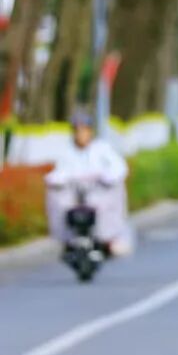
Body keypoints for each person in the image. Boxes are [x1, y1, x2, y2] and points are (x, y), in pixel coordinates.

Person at [45, 109, 134, 257]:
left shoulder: (102, 149)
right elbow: (59, 173)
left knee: (113, 196)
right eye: (77, 131)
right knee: (57, 199)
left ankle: (110, 239)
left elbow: (118, 168)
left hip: (99, 192)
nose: (81, 135)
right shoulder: (66, 152)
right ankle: (66, 240)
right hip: (74, 194)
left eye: (84, 130)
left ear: (90, 131)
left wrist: (107, 178)